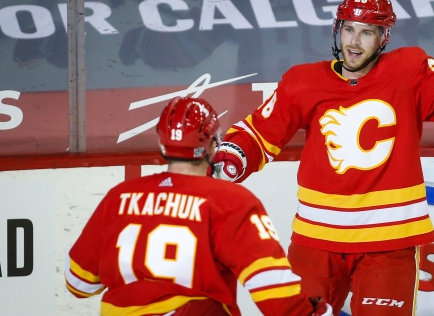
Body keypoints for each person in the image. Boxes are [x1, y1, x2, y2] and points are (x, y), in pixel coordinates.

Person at [212, 0, 434, 316]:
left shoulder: (409, 69)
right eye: (348, 29)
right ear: (337, 29)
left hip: (388, 242)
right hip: (316, 241)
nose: (354, 41)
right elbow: (260, 131)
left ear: (383, 37)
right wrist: (233, 157)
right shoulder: (303, 82)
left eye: (366, 32)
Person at [64, 96, 332, 316]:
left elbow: (78, 284)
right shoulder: (230, 201)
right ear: (214, 145)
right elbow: (274, 294)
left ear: (162, 143)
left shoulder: (119, 197)